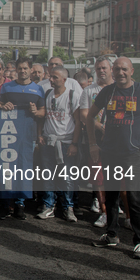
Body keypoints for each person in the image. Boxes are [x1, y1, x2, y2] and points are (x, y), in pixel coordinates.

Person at [87, 57, 140, 260]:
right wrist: (93, 145)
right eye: (117, 69)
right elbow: (89, 116)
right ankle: (111, 235)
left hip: (133, 154)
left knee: (134, 198)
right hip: (110, 153)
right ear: (112, 71)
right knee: (111, 196)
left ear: (132, 71)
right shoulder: (107, 92)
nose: (121, 72)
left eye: (124, 69)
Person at [0, 57, 45, 221]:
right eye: (20, 68)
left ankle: (20, 204)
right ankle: (4, 204)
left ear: (31, 69)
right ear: (16, 70)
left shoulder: (38, 89)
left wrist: (35, 112)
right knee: (6, 168)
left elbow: (43, 113)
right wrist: (2, 106)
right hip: (8, 134)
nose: (22, 71)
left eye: (25, 68)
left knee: (23, 169)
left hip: (27, 136)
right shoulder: (7, 87)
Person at [35, 67, 81, 222]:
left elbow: (78, 121)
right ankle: (49, 206)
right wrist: (40, 134)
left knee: (67, 177)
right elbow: (43, 117)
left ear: (64, 80)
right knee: (48, 175)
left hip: (65, 142)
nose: (51, 80)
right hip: (48, 141)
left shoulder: (72, 96)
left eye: (55, 77)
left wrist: (74, 143)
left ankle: (68, 207)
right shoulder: (48, 94)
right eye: (51, 77)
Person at [80, 56, 113, 228]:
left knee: (120, 177)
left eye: (104, 68)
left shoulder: (119, 89)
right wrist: (100, 126)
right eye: (98, 68)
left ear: (111, 69)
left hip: (118, 140)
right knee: (98, 178)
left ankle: (122, 212)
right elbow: (84, 114)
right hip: (96, 139)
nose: (101, 71)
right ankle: (104, 212)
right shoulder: (89, 91)